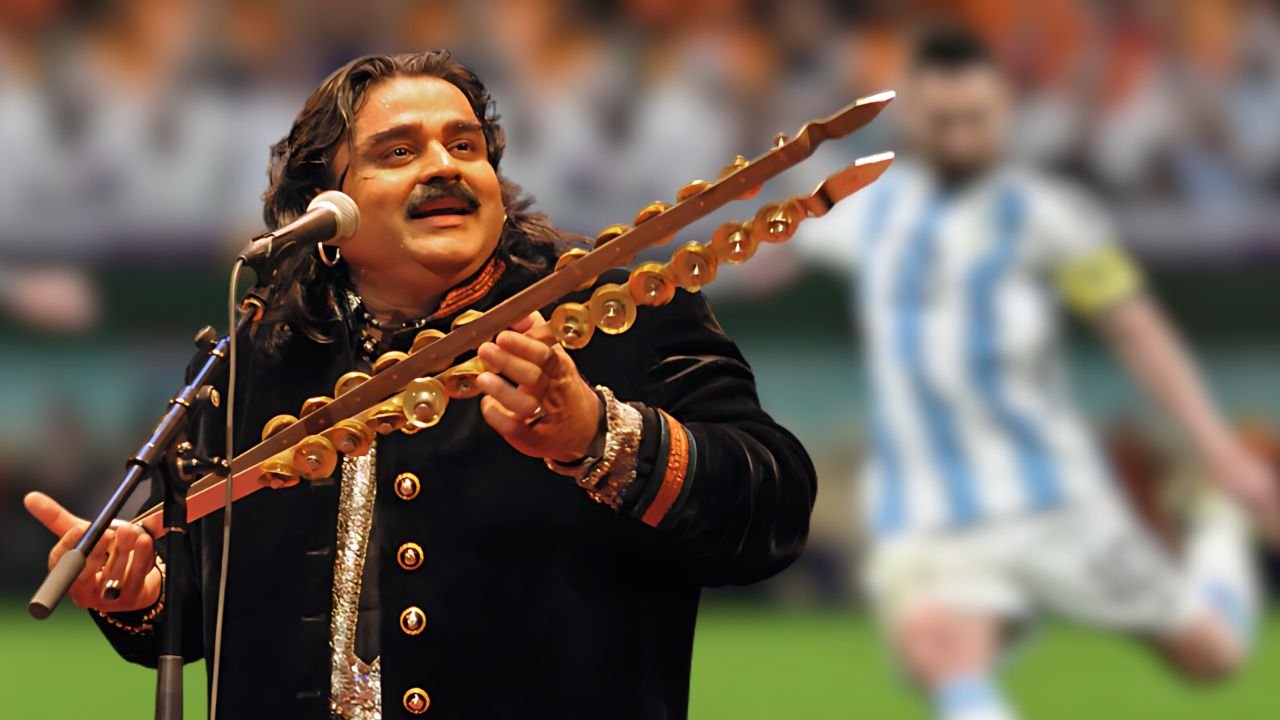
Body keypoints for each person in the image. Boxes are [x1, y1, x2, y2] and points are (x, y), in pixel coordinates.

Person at [24, 50, 817, 719]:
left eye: (465, 146)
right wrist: (140, 593)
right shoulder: (256, 358)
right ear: (325, 211)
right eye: (398, 152)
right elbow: (206, 604)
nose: (444, 166)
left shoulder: (612, 315)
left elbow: (775, 510)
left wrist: (596, 435)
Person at [794, 29, 1280, 720]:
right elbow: (767, 251)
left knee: (1212, 656)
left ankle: (1217, 528)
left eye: (976, 119)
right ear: (913, 119)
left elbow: (1135, 328)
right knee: (940, 652)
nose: (960, 136)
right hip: (926, 504)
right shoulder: (863, 210)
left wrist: (1221, 453)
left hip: (1052, 492)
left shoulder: (1049, 217)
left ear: (1004, 113)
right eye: (942, 121)